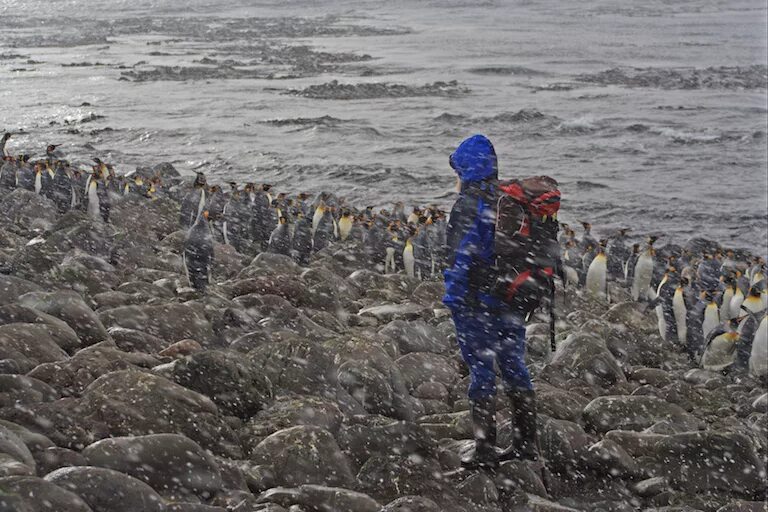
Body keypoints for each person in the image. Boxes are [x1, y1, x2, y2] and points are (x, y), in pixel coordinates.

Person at [443, 134, 537, 471]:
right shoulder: (507, 201)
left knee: (481, 370)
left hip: (477, 303)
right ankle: (527, 444)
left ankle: (484, 449)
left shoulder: (469, 205)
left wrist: (453, 299)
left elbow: (461, 258)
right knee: (514, 364)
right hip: (511, 299)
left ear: (467, 170)